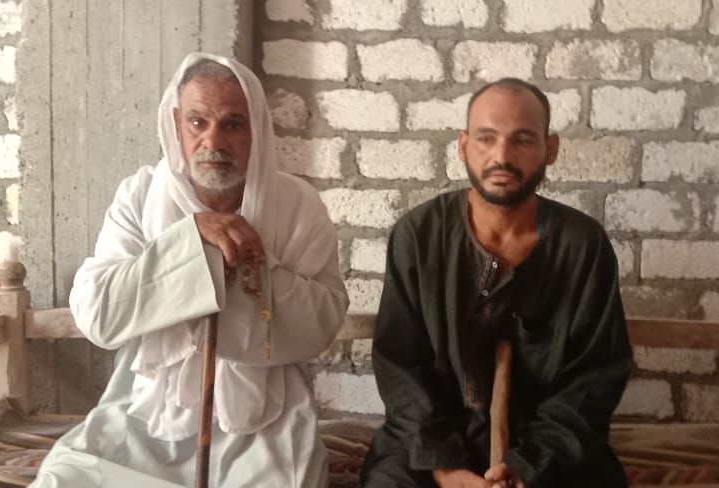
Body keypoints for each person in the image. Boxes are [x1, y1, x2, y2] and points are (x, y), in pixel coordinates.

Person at [31, 53, 349, 488]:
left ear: (257, 128)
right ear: (176, 125)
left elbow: (322, 322)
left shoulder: (297, 205)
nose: (213, 141)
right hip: (144, 410)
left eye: (233, 124)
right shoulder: (140, 196)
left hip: (266, 415)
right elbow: (98, 314)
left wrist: (242, 265)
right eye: (198, 122)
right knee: (64, 480)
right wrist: (190, 243)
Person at [360, 78, 632, 488]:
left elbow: (593, 378)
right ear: (463, 145)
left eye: (522, 140)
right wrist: (443, 467)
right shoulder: (419, 235)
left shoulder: (583, 245)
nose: (501, 156)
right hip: (429, 444)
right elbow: (401, 366)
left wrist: (528, 466)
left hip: (549, 451)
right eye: (486, 139)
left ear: (550, 148)